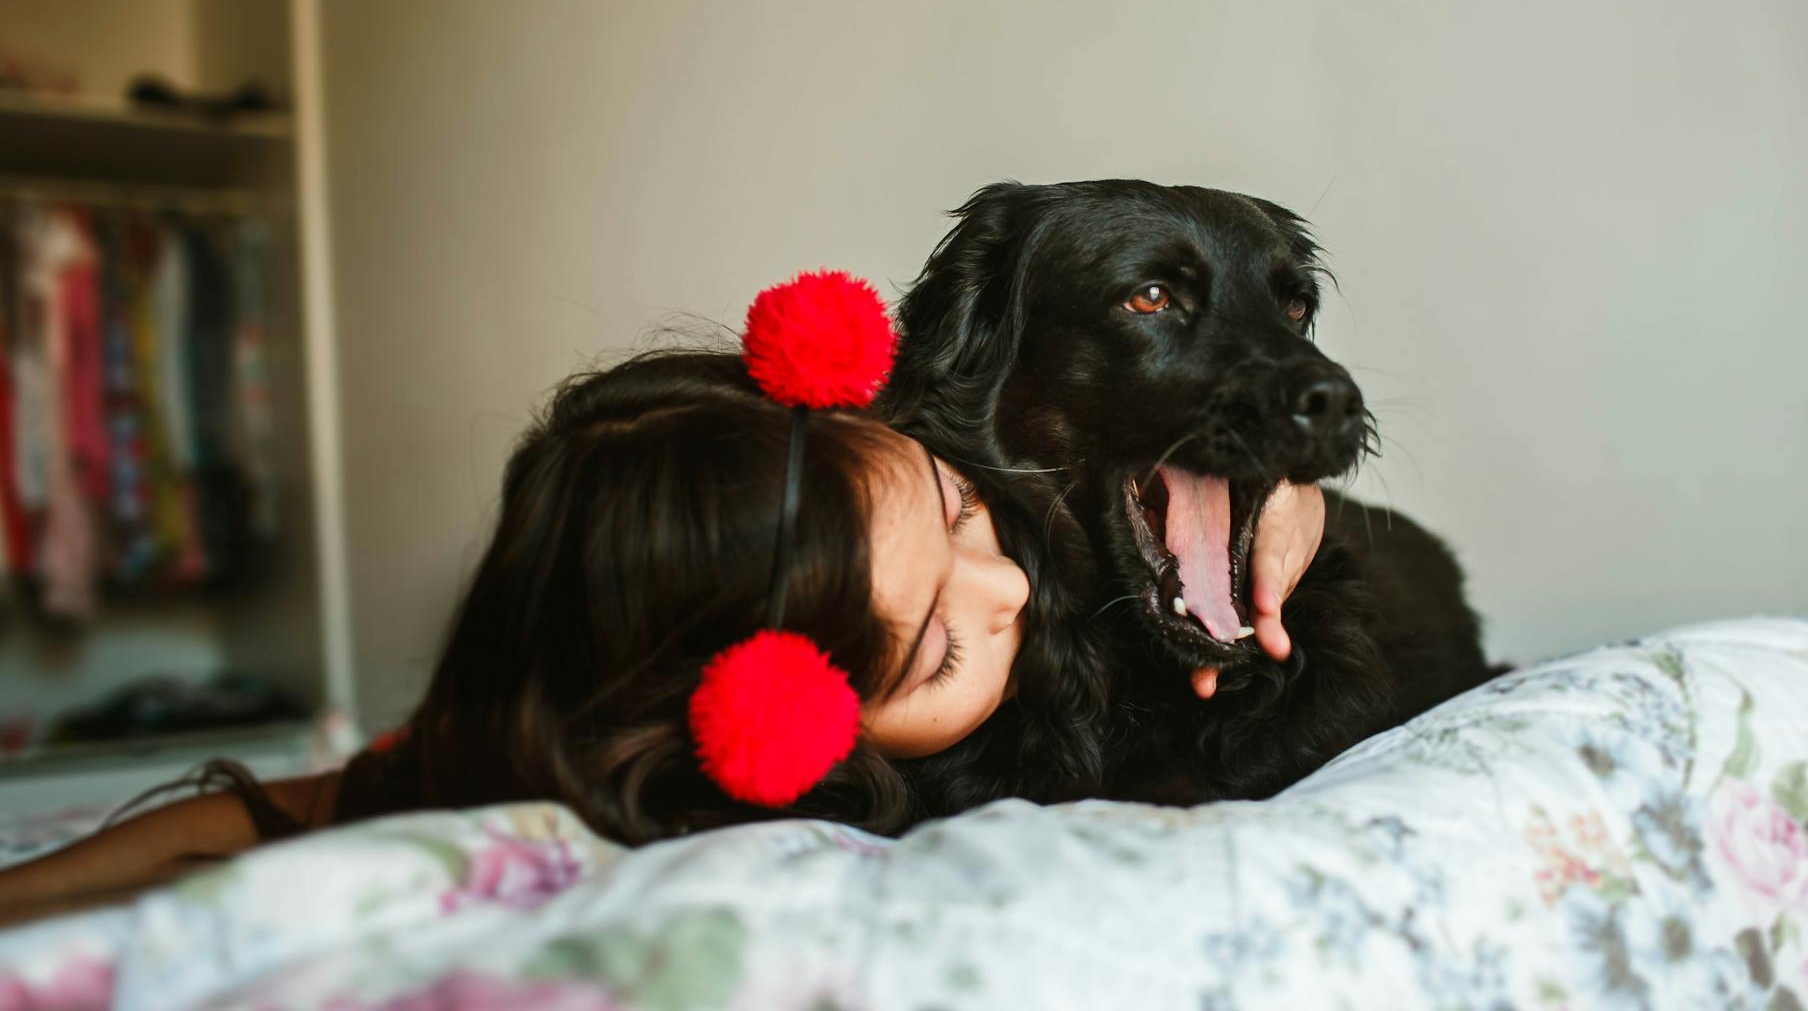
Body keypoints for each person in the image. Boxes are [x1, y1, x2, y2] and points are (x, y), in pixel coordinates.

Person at [0, 277, 1324, 925]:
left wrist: (1280, 506)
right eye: (932, 651)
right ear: (771, 729)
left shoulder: (964, 531)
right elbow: (298, 808)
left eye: (965, 513)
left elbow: (1166, 463)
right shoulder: (555, 802)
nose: (1008, 590)